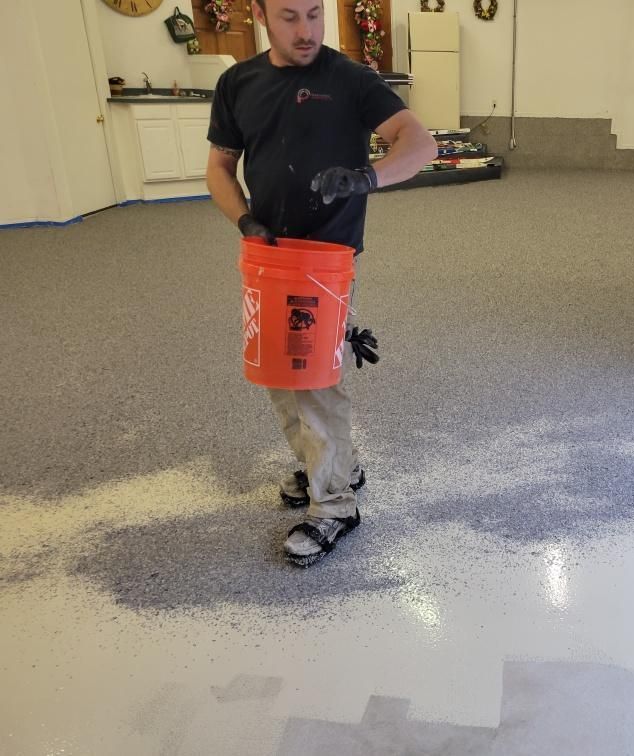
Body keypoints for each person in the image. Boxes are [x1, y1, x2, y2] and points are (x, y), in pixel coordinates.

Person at [205, 0, 437, 567]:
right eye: (289, 16)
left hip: (326, 263)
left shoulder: (351, 80)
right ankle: (332, 466)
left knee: (312, 379)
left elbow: (419, 142)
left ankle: (335, 504)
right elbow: (219, 167)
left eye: (314, 13)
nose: (306, 30)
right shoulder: (238, 82)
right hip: (267, 258)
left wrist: (366, 176)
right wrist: (245, 220)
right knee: (277, 376)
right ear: (259, 13)